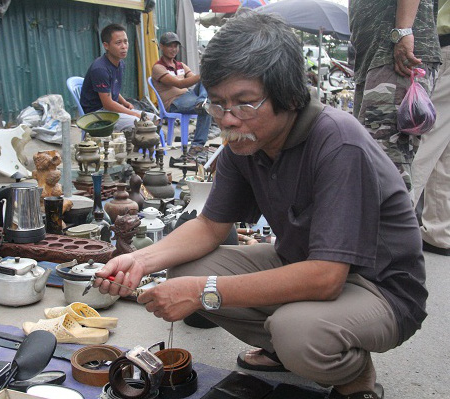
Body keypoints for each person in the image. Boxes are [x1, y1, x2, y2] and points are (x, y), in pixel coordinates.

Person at [94, 11, 425, 399]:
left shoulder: (338, 142)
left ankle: (354, 376)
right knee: (186, 267)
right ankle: (282, 351)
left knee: (296, 331)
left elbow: (326, 277)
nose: (228, 120)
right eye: (217, 105)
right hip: (302, 263)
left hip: (380, 288)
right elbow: (210, 226)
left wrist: (203, 292)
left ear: (287, 95)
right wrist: (142, 260)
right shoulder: (245, 139)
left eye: (244, 103)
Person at [349, 0, 441, 191]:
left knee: (385, 168)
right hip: (375, 55)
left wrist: (403, 30)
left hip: (396, 54)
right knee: (371, 165)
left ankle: (393, 221)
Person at [412, 0, 450, 256]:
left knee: (424, 140)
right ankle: (439, 232)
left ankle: (389, 226)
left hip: (446, 44)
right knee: (444, 150)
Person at [80, 24, 156, 132]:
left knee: (155, 119)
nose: (124, 46)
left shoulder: (120, 64)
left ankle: (148, 148)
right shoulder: (100, 69)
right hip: (97, 114)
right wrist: (134, 114)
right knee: (141, 124)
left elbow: (111, 88)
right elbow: (108, 103)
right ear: (106, 45)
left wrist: (124, 102)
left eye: (126, 41)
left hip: (110, 110)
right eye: (118, 43)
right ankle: (135, 148)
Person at [151, 32, 214, 155]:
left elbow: (195, 79)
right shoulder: (158, 68)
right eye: (170, 46)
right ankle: (197, 146)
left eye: (176, 46)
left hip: (189, 97)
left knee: (205, 88)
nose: (174, 49)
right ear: (161, 46)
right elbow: (180, 84)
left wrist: (205, 74)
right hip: (174, 102)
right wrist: (203, 74)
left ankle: (202, 102)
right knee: (207, 105)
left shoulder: (181, 65)